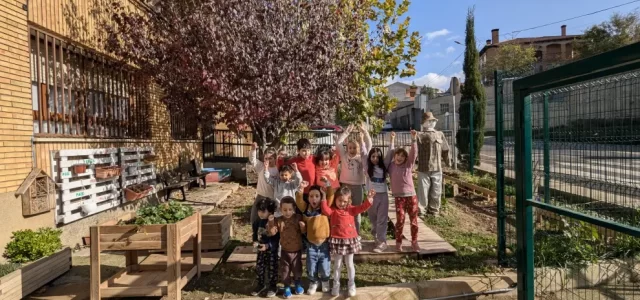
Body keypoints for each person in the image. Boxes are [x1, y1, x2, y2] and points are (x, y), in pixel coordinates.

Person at [321, 186, 375, 297]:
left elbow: (362, 207)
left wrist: (369, 198)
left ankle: (351, 285)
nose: (342, 203)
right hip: (337, 241)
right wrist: (323, 196)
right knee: (337, 265)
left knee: (350, 264)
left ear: (349, 201)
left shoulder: (351, 209)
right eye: (340, 200)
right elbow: (325, 210)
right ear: (335, 199)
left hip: (349, 241)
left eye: (345, 201)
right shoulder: (333, 210)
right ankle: (336, 285)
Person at [296, 180, 333, 295]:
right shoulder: (306, 209)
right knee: (311, 266)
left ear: (321, 197)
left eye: (317, 196)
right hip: (311, 245)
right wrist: (301, 189)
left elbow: (331, 196)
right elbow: (298, 201)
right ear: (308, 198)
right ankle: (313, 282)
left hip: (324, 244)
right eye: (311, 196)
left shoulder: (324, 207)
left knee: (325, 266)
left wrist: (328, 186)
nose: (314, 199)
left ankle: (325, 281)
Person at [385, 130, 420, 253]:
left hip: (411, 196)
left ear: (405, 158)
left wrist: (414, 139)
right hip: (399, 197)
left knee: (414, 220)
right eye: (397, 155)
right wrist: (392, 140)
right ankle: (398, 241)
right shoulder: (391, 166)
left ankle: (414, 241)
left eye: (402, 156)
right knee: (400, 220)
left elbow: (413, 153)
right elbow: (389, 153)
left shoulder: (408, 165)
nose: (399, 158)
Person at [335, 124, 371, 234]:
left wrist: (365, 132)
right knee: (344, 209)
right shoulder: (344, 156)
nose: (352, 149)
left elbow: (369, 145)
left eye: (355, 147)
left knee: (356, 211)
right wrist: (346, 132)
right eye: (350, 147)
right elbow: (339, 143)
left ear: (359, 148)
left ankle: (357, 234)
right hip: (345, 186)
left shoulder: (361, 157)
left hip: (358, 187)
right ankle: (345, 232)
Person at [267, 197, 305, 298]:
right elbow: (272, 232)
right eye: (284, 210)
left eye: (290, 209)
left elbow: (304, 232)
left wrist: (303, 226)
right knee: (285, 271)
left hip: (297, 251)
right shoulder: (279, 220)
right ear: (280, 209)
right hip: (284, 251)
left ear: (294, 209)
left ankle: (297, 283)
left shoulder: (298, 218)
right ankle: (287, 286)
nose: (287, 212)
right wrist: (271, 222)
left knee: (297, 269)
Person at [359, 129, 389, 253]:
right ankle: (376, 235)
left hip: (383, 196)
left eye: (378, 157)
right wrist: (361, 139)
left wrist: (392, 141)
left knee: (382, 218)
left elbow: (391, 154)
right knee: (373, 218)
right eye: (373, 156)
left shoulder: (384, 166)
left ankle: (382, 242)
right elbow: (363, 153)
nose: (375, 159)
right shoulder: (367, 167)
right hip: (371, 196)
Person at [251, 198, 280, 298]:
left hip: (271, 251)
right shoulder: (257, 222)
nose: (260, 213)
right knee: (259, 267)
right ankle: (261, 284)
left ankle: (273, 286)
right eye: (259, 211)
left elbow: (276, 239)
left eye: (263, 211)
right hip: (260, 249)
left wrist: (268, 246)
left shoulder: (274, 223)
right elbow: (254, 233)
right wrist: (255, 241)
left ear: (271, 212)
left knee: (272, 268)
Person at [248, 142, 279, 225]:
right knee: (255, 217)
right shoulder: (261, 166)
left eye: (270, 158)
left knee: (270, 220)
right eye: (266, 158)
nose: (268, 161)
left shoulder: (278, 170)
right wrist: (253, 149)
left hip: (272, 197)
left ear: (275, 158)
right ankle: (255, 234)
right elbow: (252, 160)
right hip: (261, 195)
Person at [278, 138, 315, 204]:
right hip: (300, 191)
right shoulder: (294, 161)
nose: (306, 153)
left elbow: (323, 160)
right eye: (304, 151)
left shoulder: (313, 159)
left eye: (308, 150)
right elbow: (282, 166)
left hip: (313, 191)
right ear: (298, 150)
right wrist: (279, 158)